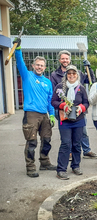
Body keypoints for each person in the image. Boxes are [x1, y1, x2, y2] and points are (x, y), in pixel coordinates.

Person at [14, 38, 56, 178]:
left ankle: (44, 162)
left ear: (45, 67)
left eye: (42, 65)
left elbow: (50, 100)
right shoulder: (27, 77)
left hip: (44, 115)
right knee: (32, 142)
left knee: (46, 140)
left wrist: (51, 114)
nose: (39, 67)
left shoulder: (47, 82)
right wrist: (18, 50)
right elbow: (19, 63)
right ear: (33, 65)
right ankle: (30, 166)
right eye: (37, 65)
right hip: (31, 114)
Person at [50, 50, 97, 159]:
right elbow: (54, 93)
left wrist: (89, 68)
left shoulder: (78, 72)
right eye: (63, 58)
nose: (65, 60)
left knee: (82, 131)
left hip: (78, 109)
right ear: (59, 60)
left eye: (67, 58)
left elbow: (91, 80)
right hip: (63, 109)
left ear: (69, 59)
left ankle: (86, 150)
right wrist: (62, 105)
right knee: (67, 133)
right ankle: (70, 152)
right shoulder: (55, 75)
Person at [51, 65, 89, 180]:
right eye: (69, 73)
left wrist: (81, 107)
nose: (71, 75)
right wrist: (63, 106)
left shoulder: (81, 88)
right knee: (66, 144)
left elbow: (87, 103)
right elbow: (53, 102)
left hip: (79, 120)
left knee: (77, 144)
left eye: (74, 73)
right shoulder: (59, 87)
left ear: (77, 75)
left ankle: (75, 166)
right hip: (65, 121)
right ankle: (61, 170)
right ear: (66, 75)